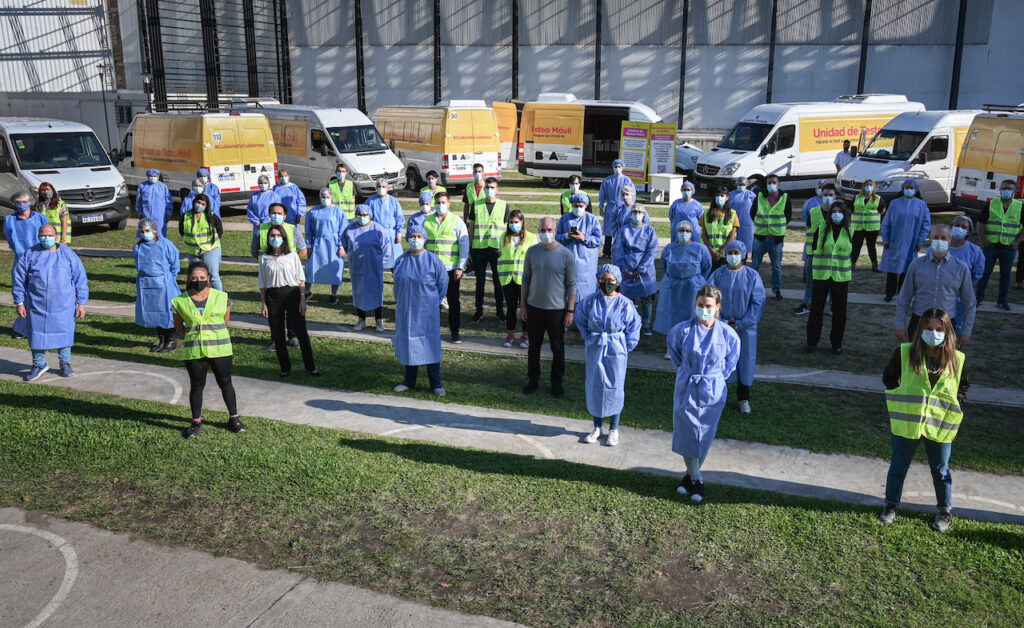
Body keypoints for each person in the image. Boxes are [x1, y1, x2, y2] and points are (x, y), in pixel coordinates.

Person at [880, 308, 967, 533]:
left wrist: (956, 402)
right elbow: (889, 379)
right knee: (898, 466)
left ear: (947, 332)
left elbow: (962, 386)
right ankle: (891, 505)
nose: (934, 333)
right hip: (908, 424)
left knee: (941, 470)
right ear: (920, 330)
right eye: (929, 329)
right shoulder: (905, 353)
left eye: (939, 329)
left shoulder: (956, 359)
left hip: (939, 426)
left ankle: (945, 511)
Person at [668, 284, 741, 503]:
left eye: (708, 306)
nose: (704, 309)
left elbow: (731, 362)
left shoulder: (728, 334)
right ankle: (697, 479)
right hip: (688, 384)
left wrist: (715, 377)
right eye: (700, 305)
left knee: (705, 433)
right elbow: (675, 355)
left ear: (718, 307)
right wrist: (687, 372)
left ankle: (690, 477)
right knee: (686, 430)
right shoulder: (681, 330)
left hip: (712, 388)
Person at [171, 261, 246, 438]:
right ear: (189, 279)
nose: (199, 281)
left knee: (225, 382)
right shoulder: (179, 301)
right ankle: (196, 421)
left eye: (202, 278)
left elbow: (225, 321)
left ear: (209, 278)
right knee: (197, 386)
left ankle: (234, 418)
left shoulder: (222, 297)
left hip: (221, 349)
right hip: (194, 351)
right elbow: (178, 327)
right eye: (195, 278)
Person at [12, 224, 89, 381]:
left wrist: (81, 302)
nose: (46, 238)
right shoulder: (29, 255)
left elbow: (80, 279)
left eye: (49, 235)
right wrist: (19, 302)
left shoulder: (68, 255)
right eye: (42, 235)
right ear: (38, 236)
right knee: (36, 335)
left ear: (56, 236)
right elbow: (18, 280)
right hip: (36, 305)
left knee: (64, 333)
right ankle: (39, 364)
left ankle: (65, 363)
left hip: (63, 305)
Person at [576, 264, 642, 447]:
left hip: (616, 351)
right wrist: (589, 338)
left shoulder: (625, 304)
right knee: (595, 385)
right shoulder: (590, 301)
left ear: (617, 281)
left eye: (610, 280)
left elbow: (634, 327)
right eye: (603, 280)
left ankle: (614, 428)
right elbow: (580, 319)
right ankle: (597, 427)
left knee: (615, 387)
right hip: (595, 348)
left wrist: (624, 347)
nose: (607, 283)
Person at [521, 217, 577, 397]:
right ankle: (533, 380)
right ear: (538, 231)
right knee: (534, 348)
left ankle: (556, 383)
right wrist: (523, 306)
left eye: (550, 230)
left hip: (557, 311)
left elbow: (572, 284)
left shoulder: (566, 255)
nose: (546, 233)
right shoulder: (531, 252)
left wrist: (570, 310)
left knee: (558, 348)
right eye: (543, 230)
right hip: (534, 308)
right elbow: (526, 280)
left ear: (555, 231)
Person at [707, 240, 765, 415]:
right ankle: (718, 396)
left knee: (744, 361)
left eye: (736, 253)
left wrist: (742, 323)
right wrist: (722, 322)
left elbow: (757, 303)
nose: (733, 256)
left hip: (745, 330)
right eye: (730, 252)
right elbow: (709, 297)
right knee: (720, 360)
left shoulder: (752, 276)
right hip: (721, 327)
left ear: (743, 254)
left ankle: (744, 398)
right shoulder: (718, 275)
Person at [392, 225, 450, 396]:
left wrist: (434, 302)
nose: (415, 239)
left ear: (424, 238)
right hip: (406, 312)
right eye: (412, 236)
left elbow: (443, 284)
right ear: (407, 238)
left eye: (418, 236)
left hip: (427, 312)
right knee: (409, 344)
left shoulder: (433, 261)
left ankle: (436, 383)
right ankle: (409, 380)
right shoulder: (401, 260)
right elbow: (397, 286)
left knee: (430, 344)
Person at [894, 224, 975, 346]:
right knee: (916, 362)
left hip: (946, 325)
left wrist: (966, 330)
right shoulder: (916, 265)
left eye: (943, 238)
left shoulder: (961, 268)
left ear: (949, 240)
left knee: (943, 363)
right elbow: (904, 297)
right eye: (936, 237)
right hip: (919, 322)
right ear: (930, 240)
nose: (939, 240)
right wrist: (900, 324)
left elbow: (969, 303)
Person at [258, 224, 318, 378]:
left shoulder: (292, 256)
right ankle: (285, 367)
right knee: (278, 334)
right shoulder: (264, 258)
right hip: (273, 297)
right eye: (272, 236)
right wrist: (264, 303)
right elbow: (262, 284)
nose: (275, 238)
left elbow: (301, 280)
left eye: (278, 235)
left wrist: (302, 299)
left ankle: (310, 366)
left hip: (292, 294)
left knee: (301, 332)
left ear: (283, 238)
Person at [653, 218, 712, 352]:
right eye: (681, 230)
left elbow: (706, 267)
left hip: (692, 288)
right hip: (673, 288)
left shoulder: (700, 249)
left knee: (691, 315)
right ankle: (672, 348)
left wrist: (696, 280)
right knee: (671, 317)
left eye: (687, 231)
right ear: (676, 232)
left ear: (692, 233)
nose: (684, 233)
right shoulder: (669, 248)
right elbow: (665, 265)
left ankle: (690, 346)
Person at [805, 198, 853, 354]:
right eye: (834, 212)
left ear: (845, 214)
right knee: (816, 310)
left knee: (840, 312)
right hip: (821, 275)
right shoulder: (821, 228)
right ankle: (812, 342)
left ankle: (836, 344)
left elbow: (854, 253)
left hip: (841, 276)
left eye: (840, 212)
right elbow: (813, 248)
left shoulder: (851, 231)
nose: (836, 214)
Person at [424, 191, 469, 343]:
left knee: (453, 301)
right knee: (432, 302)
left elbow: (464, 245)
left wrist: (460, 267)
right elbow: (423, 243)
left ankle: (455, 332)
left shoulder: (456, 221)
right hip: (432, 269)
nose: (440, 205)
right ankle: (432, 332)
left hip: (451, 269)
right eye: (438, 203)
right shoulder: (428, 220)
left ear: (449, 204)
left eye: (443, 202)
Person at [134, 217, 181, 353]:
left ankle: (171, 340)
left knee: (166, 312)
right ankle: (161, 340)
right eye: (142, 231)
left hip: (164, 283)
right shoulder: (138, 247)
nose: (145, 233)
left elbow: (174, 263)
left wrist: (171, 278)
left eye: (147, 230)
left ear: (154, 231)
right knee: (153, 312)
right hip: (146, 283)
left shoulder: (166, 244)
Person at [466, 176, 510, 322]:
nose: (489, 190)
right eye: (487, 187)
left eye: (492, 187)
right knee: (480, 282)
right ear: (484, 189)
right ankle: (479, 311)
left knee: (498, 282)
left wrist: (506, 250)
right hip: (479, 249)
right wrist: (469, 248)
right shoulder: (476, 205)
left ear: (497, 189)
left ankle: (499, 311)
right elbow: (471, 226)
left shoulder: (504, 205)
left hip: (497, 250)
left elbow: (508, 230)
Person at [341, 204, 391, 331]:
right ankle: (361, 319)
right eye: (360, 215)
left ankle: (379, 320)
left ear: (370, 215)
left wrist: (380, 262)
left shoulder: (377, 229)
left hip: (374, 266)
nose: (362, 217)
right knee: (359, 292)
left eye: (365, 215)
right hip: (357, 266)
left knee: (376, 292)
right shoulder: (350, 229)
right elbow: (345, 245)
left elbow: (387, 248)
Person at [879, 179, 930, 301]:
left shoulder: (921, 205)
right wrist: (885, 239)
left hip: (911, 242)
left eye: (911, 187)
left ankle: (903, 294)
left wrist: (920, 241)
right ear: (902, 188)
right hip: (894, 240)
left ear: (916, 189)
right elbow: (886, 222)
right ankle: (889, 293)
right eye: (907, 187)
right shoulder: (895, 203)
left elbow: (925, 224)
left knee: (907, 269)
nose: (909, 190)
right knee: (892, 268)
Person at [975, 179, 1023, 310]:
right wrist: (983, 240)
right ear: (1000, 190)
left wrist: (1017, 242)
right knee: (985, 273)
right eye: (1004, 188)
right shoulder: (991, 204)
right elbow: (980, 222)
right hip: (991, 246)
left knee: (1006, 275)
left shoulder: (1020, 206)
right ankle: (978, 299)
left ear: (1015, 191)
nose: (1006, 191)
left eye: (1009, 189)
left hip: (1009, 247)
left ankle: (1002, 300)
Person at [613, 203, 658, 336]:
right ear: (630, 214)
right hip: (627, 266)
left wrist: (642, 268)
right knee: (628, 298)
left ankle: (646, 324)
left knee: (646, 297)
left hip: (645, 269)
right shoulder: (624, 230)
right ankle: (629, 323)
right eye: (634, 212)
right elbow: (618, 251)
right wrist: (625, 268)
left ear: (644, 214)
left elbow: (653, 250)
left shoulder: (649, 230)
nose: (637, 214)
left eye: (640, 212)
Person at [556, 192, 603, 309]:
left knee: (587, 294)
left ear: (586, 206)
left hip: (587, 265)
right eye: (576, 205)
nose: (578, 208)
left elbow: (598, 240)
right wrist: (567, 236)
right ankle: (566, 319)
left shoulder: (592, 220)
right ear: (571, 205)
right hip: (567, 260)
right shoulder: (565, 219)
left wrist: (585, 238)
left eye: (581, 206)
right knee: (566, 290)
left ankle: (585, 319)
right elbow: (556, 237)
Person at [749, 174, 792, 299]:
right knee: (755, 264)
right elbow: (753, 213)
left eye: (773, 182)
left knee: (777, 266)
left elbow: (788, 216)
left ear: (779, 184)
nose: (771, 185)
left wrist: (778, 228)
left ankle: (776, 289)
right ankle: (752, 288)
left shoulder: (785, 198)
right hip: (760, 237)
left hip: (776, 238)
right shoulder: (760, 196)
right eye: (769, 183)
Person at [498, 209, 536, 348]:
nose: (513, 225)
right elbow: (501, 255)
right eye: (511, 222)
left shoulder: (531, 238)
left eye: (516, 222)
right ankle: (510, 334)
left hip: (524, 280)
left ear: (522, 222)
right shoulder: (503, 237)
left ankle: (525, 335)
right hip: (508, 278)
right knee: (511, 307)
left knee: (524, 308)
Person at [305, 187, 348, 304]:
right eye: (323, 197)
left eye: (327, 197)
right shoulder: (313, 212)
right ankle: (306, 291)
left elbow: (343, 230)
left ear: (332, 197)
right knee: (311, 268)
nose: (325, 199)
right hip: (318, 244)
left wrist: (342, 246)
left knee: (335, 269)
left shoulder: (338, 211)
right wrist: (309, 246)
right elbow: (308, 231)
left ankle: (333, 294)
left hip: (334, 244)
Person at [793, 180, 829, 315]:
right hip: (812, 251)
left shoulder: (836, 209)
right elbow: (807, 222)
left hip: (829, 253)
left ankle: (831, 307)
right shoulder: (811, 206)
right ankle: (807, 304)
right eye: (820, 188)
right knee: (810, 280)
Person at [947, 215, 984, 335]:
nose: (959, 228)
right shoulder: (941, 246)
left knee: (956, 329)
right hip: (940, 294)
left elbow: (978, 272)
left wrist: (964, 284)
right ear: (951, 227)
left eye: (964, 227)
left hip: (960, 296)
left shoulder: (974, 251)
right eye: (957, 225)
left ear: (968, 232)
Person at [179, 193, 224, 291]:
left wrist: (211, 245)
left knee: (213, 276)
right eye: (198, 202)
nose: (200, 205)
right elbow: (182, 231)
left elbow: (220, 231)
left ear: (206, 206)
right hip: (193, 251)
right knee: (195, 276)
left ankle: (220, 299)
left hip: (211, 250)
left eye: (203, 204)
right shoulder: (185, 216)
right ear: (194, 202)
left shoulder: (212, 217)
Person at [366, 178, 404, 271]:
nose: (381, 188)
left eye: (383, 186)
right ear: (376, 188)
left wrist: (399, 233)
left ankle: (396, 278)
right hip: (375, 234)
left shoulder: (393, 201)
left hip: (391, 234)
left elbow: (399, 217)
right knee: (376, 259)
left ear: (387, 188)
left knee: (395, 259)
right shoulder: (371, 201)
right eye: (379, 186)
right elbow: (366, 217)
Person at [700, 186, 739, 270]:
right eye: (717, 195)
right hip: (709, 253)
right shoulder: (706, 213)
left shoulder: (733, 214)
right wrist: (712, 251)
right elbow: (704, 235)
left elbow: (732, 236)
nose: (719, 198)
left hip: (725, 254)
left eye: (722, 195)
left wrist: (721, 251)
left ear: (727, 197)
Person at [850, 178, 885, 271]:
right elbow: (851, 209)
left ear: (874, 187)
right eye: (866, 185)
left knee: (871, 246)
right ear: (863, 187)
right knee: (856, 246)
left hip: (872, 227)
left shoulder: (878, 198)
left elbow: (882, 210)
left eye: (870, 185)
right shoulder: (857, 197)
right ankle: (851, 264)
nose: (868, 187)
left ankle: (874, 264)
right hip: (858, 226)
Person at [598, 159, 631, 258]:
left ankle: (620, 251)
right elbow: (602, 194)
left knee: (621, 231)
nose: (617, 168)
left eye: (619, 166)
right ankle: (606, 252)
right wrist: (601, 206)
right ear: (613, 167)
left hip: (623, 208)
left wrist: (629, 206)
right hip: (610, 208)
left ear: (622, 167)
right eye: (615, 166)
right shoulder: (608, 180)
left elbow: (632, 193)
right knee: (608, 231)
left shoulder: (627, 180)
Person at [4, 190, 48, 260]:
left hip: (40, 255)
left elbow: (47, 235)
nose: (21, 204)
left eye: (24, 202)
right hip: (20, 257)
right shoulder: (9, 220)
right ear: (15, 203)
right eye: (18, 202)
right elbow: (9, 239)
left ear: (29, 202)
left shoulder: (41, 218)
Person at [136, 168, 174, 237]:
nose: (153, 178)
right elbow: (139, 200)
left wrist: (168, 213)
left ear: (158, 177)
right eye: (151, 176)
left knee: (160, 234)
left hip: (160, 216)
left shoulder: (163, 187)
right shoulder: (142, 186)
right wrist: (139, 212)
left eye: (154, 176)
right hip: (146, 215)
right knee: (146, 232)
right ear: (147, 177)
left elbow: (168, 201)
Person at [729, 177, 755, 258]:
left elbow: (756, 207)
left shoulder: (751, 195)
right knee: (733, 242)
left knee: (746, 243)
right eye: (739, 184)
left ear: (746, 185)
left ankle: (744, 260)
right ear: (736, 184)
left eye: (743, 185)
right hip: (733, 223)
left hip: (747, 224)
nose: (741, 186)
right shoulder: (731, 194)